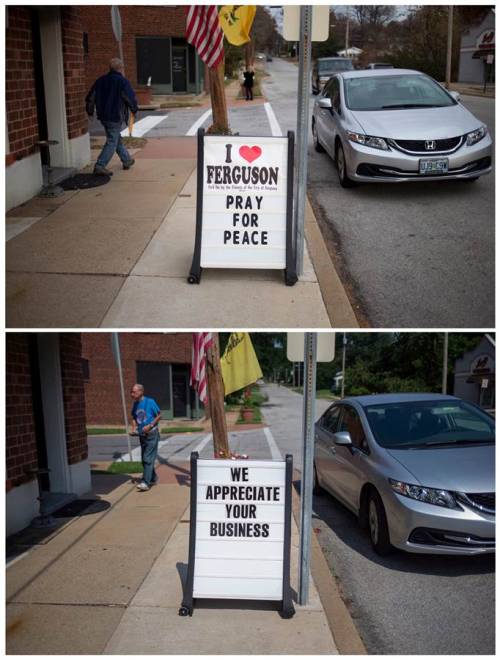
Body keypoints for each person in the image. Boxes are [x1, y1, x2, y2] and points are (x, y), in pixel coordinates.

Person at [85, 58, 138, 176]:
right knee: (112, 140)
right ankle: (100, 165)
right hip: (115, 115)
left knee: (115, 138)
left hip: (103, 116)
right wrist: (134, 109)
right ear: (120, 68)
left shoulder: (100, 80)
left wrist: (90, 112)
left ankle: (127, 160)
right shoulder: (122, 82)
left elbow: (90, 97)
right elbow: (129, 98)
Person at [130, 383, 161, 491]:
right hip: (142, 435)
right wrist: (134, 429)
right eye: (131, 392)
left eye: (134, 392)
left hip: (152, 434)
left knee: (147, 458)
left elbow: (159, 415)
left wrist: (151, 425)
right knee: (144, 460)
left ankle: (145, 482)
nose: (132, 394)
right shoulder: (135, 404)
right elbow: (134, 417)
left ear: (141, 392)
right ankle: (153, 477)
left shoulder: (150, 402)